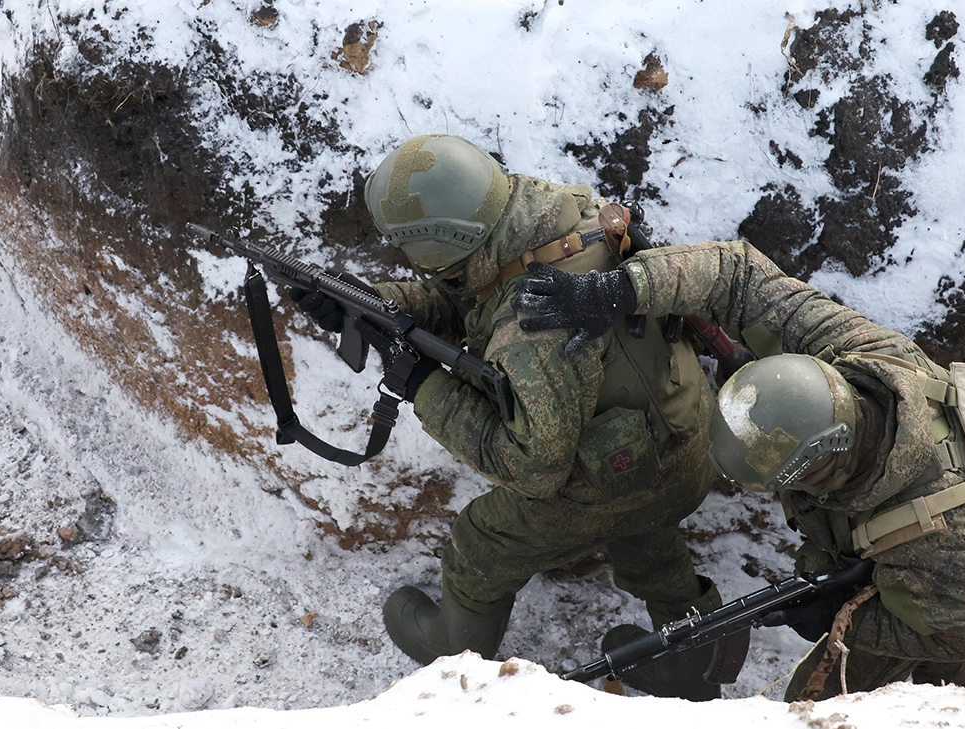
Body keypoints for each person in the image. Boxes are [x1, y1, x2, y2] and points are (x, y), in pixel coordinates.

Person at [293, 134, 724, 701]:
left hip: (620, 475)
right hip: (687, 437)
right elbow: (475, 298)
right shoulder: (556, 217)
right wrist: (371, 301)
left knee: (481, 541)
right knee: (648, 539)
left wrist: (423, 385)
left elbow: (536, 468)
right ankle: (695, 661)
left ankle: (450, 648)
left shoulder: (533, 329)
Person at [511, 240, 965, 700]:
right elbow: (736, 273)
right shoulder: (849, 348)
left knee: (813, 705)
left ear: (821, 471)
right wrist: (620, 290)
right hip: (911, 554)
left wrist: (843, 615)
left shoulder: (936, 531)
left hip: (949, 578)